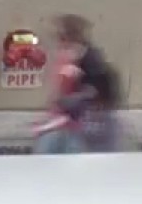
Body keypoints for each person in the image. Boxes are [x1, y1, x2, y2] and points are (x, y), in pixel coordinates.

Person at [33, 14, 124, 154]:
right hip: (73, 123)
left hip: (77, 125)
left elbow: (86, 92)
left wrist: (64, 106)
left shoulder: (83, 59)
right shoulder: (79, 57)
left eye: (60, 36)